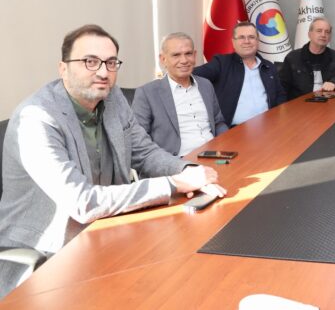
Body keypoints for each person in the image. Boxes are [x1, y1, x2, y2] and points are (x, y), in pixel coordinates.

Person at [0, 25, 226, 299]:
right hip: (49, 255)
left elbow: (144, 152)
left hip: (106, 230)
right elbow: (82, 202)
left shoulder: (113, 97)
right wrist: (173, 183)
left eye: (110, 62)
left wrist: (189, 170)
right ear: (63, 68)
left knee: (190, 277)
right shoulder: (37, 119)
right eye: (90, 61)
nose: (103, 72)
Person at [132, 33, 228, 156]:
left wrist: (226, 143)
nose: (184, 60)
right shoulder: (147, 93)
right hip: (177, 160)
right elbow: (138, 139)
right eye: (176, 55)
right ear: (163, 59)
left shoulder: (206, 85)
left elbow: (218, 122)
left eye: (188, 54)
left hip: (214, 155)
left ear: (194, 55)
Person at [194, 22, 286, 126]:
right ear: (233, 42)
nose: (247, 41)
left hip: (269, 126)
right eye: (241, 37)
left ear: (257, 41)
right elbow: (191, 75)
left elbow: (280, 96)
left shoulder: (268, 67)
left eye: (251, 37)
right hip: (234, 130)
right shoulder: (221, 63)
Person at [279, 18, 335, 100]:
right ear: (309, 34)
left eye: (327, 32)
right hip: (301, 103)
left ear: (330, 37)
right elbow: (282, 87)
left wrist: (334, 83)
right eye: (319, 31)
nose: (323, 35)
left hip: (327, 102)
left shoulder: (334, 56)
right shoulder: (293, 58)